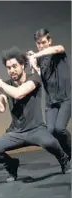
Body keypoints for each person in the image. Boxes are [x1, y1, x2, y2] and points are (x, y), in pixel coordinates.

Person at [0, 47, 71, 182]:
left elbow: (19, 93)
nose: (11, 70)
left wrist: (1, 84)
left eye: (14, 66)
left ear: (23, 65)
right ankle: (11, 164)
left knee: (51, 143)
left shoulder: (34, 78)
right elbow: (1, 107)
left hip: (36, 129)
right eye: (8, 68)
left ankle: (64, 159)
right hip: (16, 133)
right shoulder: (6, 84)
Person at [27, 28, 71, 160]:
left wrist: (35, 55)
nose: (41, 45)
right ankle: (65, 154)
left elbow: (57, 49)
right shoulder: (39, 60)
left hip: (66, 98)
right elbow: (41, 76)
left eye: (43, 42)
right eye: (38, 43)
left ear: (49, 41)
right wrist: (33, 63)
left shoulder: (58, 51)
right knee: (51, 131)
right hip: (51, 102)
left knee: (60, 129)